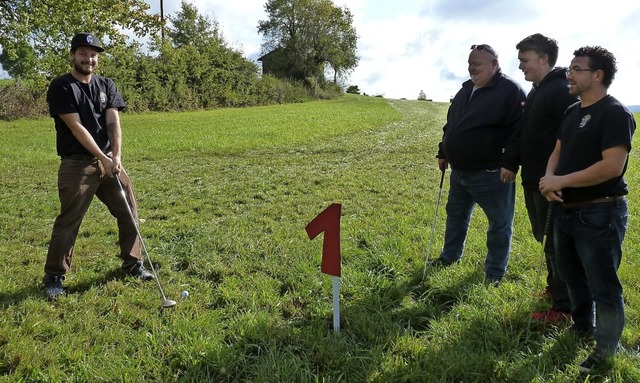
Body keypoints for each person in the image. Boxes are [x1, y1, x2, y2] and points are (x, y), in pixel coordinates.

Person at [539, 46, 636, 372]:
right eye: (570, 68)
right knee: (571, 275)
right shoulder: (571, 112)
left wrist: (561, 179)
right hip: (567, 210)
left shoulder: (614, 113)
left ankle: (606, 349)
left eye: (577, 69)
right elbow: (558, 150)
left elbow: (611, 167)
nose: (570, 74)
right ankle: (582, 327)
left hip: (600, 212)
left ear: (598, 75)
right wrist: (551, 179)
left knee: (603, 283)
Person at [43, 33, 154, 300]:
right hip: (77, 165)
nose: (88, 59)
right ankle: (54, 277)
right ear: (72, 55)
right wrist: (101, 157)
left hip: (109, 161)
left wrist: (115, 156)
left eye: (93, 54)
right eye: (83, 53)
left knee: (129, 212)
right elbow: (75, 126)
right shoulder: (62, 86)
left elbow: (113, 122)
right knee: (69, 222)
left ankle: (133, 264)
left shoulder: (107, 85)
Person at [430, 44, 526, 284]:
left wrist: (511, 163)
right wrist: (443, 151)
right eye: (470, 63)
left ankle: (494, 272)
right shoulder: (465, 90)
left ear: (494, 64)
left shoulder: (510, 91)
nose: (472, 68)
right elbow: (451, 124)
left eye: (478, 63)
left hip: (492, 173)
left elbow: (519, 131)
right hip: (459, 172)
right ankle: (450, 256)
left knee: (499, 224)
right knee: (455, 216)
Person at [516, 33, 578, 323]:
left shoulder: (561, 91)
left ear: (544, 59)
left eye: (525, 61)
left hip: (552, 183)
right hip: (534, 180)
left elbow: (568, 140)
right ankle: (555, 292)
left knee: (556, 245)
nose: (521, 67)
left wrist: (557, 179)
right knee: (547, 241)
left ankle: (564, 309)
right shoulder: (537, 90)